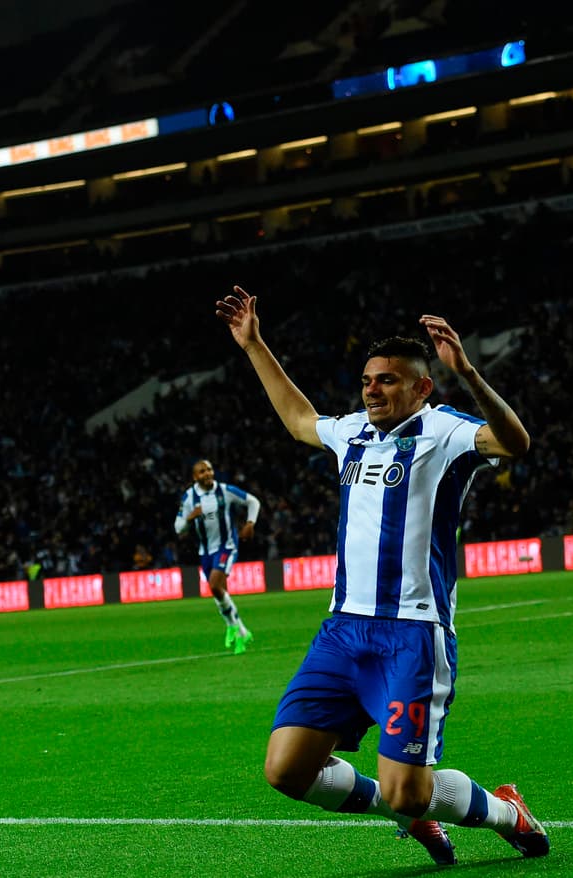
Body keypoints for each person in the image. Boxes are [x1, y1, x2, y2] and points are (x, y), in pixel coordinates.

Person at [215, 285, 548, 866]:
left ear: (422, 386)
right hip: (344, 631)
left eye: (387, 380)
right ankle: (414, 818)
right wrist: (254, 345)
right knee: (287, 770)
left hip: (412, 636)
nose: (372, 388)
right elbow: (299, 420)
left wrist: (467, 373)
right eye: (368, 379)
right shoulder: (352, 435)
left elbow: (515, 442)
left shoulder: (445, 431)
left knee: (406, 789)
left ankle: (505, 812)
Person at [173, 459, 260, 654]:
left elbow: (253, 501)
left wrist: (250, 523)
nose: (207, 473)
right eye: (202, 471)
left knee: (214, 585)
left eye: (210, 469)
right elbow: (178, 528)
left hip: (227, 546)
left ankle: (233, 628)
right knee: (219, 591)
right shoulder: (189, 498)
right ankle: (242, 632)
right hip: (205, 551)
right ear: (195, 477)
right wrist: (189, 519)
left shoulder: (225, 491)